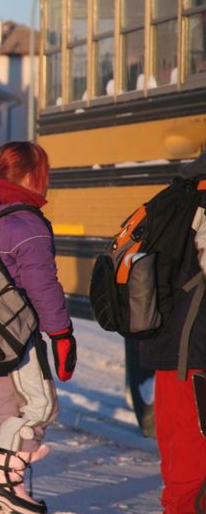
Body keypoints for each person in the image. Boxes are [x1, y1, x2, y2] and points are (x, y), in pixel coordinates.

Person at [0, 141, 76, 514]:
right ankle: (4, 483)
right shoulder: (25, 223)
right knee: (37, 406)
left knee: (6, 408)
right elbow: (43, 287)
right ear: (31, 175)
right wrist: (61, 335)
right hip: (16, 337)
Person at [140, 154, 206, 514]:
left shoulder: (175, 196)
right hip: (194, 352)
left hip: (170, 346)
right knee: (193, 469)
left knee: (181, 458)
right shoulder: (202, 203)